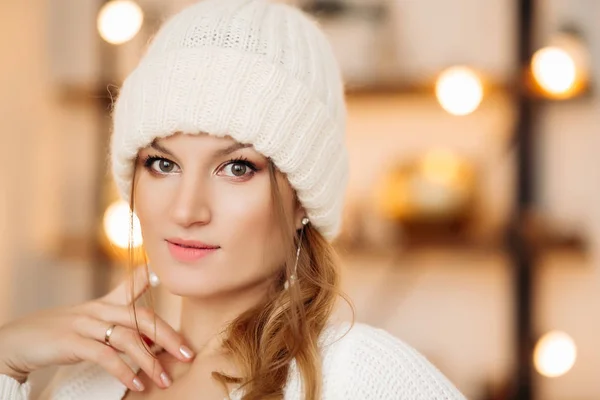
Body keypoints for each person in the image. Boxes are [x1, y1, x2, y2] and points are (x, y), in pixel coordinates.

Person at [0, 0, 467, 398]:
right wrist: (6, 363)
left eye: (236, 168)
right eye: (163, 164)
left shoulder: (359, 373)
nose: (187, 211)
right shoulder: (87, 379)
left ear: (302, 198)